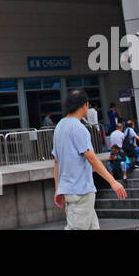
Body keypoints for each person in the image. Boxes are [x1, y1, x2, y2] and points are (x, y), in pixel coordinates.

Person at [53, 90, 127, 229]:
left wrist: (58, 189)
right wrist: (113, 182)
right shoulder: (79, 128)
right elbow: (91, 158)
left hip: (70, 190)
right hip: (81, 191)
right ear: (84, 105)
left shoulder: (59, 127)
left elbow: (57, 162)